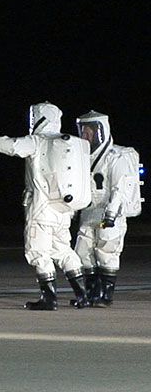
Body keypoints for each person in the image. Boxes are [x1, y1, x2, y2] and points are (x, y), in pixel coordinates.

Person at [0, 102, 90, 310]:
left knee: (37, 252)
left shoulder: (37, 141)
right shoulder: (64, 144)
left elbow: (9, 145)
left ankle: (49, 299)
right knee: (63, 250)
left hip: (41, 210)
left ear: (39, 118)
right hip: (63, 211)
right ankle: (83, 295)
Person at [74, 110, 136, 307]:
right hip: (88, 211)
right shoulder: (83, 157)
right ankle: (93, 293)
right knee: (82, 251)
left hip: (110, 212)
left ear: (100, 130)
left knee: (106, 252)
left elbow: (120, 188)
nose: (85, 134)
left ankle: (106, 295)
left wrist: (111, 214)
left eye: (89, 130)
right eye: (83, 130)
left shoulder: (116, 157)